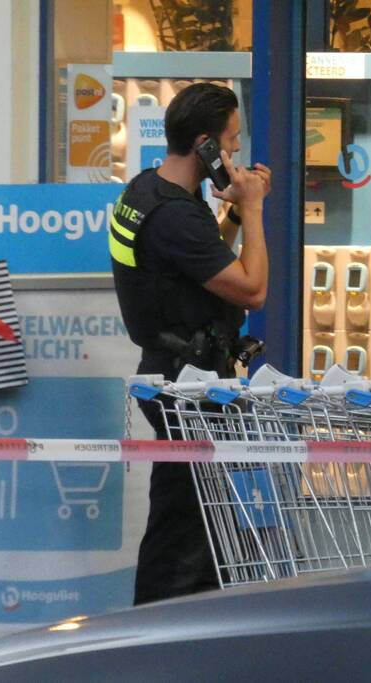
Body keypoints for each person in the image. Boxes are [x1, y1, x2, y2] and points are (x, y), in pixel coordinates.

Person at [109, 83, 271, 603]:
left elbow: (201, 266)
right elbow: (253, 289)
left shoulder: (147, 192)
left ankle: (171, 625)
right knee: (188, 534)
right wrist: (256, 210)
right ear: (205, 144)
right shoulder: (175, 214)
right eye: (232, 140)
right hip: (190, 386)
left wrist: (232, 218)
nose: (236, 153)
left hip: (178, 372)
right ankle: (161, 632)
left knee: (189, 520)